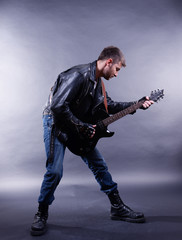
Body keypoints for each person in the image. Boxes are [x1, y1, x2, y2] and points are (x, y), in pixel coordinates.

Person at [30, 46, 153, 236]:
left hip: (75, 123)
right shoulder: (78, 75)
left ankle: (117, 207)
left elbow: (108, 106)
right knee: (54, 171)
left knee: (99, 165)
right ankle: (41, 213)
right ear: (109, 62)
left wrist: (135, 105)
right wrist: (81, 126)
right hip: (55, 122)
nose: (117, 74)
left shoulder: (98, 83)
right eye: (117, 69)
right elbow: (57, 107)